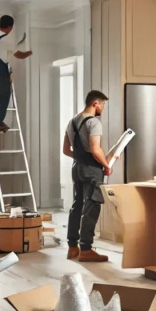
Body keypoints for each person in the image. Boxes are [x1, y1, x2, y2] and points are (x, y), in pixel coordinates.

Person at [63, 90, 112, 262]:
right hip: (91, 170)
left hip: (76, 168)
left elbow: (65, 150)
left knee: (77, 206)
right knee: (91, 207)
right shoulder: (94, 123)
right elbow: (95, 148)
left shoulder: (72, 122)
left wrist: (79, 158)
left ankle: (72, 247)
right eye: (103, 105)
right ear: (95, 104)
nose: (103, 109)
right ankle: (86, 249)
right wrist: (106, 165)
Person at [0, 15, 32, 132]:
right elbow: (18, 55)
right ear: (10, 26)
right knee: (4, 96)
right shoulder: (6, 38)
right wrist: (29, 53)